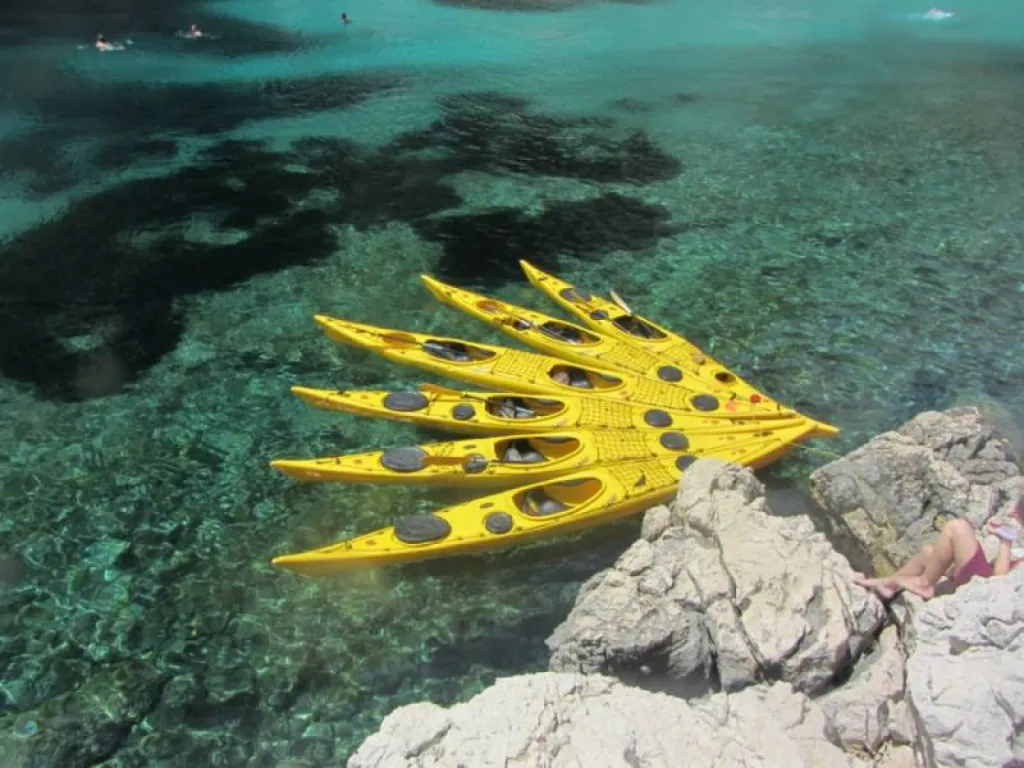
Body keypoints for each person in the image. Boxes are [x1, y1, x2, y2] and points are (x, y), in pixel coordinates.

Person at [854, 496, 1024, 600]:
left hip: (986, 588)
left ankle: (924, 584)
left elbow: (999, 582)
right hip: (984, 576)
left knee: (958, 527)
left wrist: (1005, 541)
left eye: (1016, 512)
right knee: (929, 554)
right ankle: (886, 584)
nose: (1010, 513)